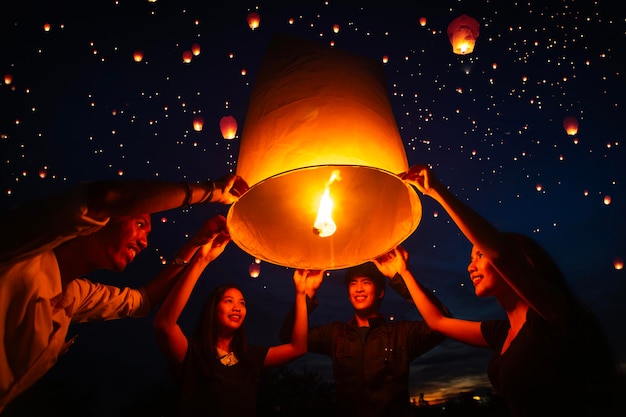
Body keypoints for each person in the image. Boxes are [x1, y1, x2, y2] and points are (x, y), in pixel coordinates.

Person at [380, 164, 624, 416]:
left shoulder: (552, 315)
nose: (470, 267)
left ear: (517, 263)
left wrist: (437, 192)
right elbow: (437, 321)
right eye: (470, 258)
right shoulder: (501, 333)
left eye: (479, 255)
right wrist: (403, 273)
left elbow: (502, 254)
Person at [0, 174, 247, 412]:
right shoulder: (19, 250)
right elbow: (105, 197)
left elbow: (143, 300)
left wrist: (196, 247)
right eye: (140, 224)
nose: (144, 242)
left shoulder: (74, 296)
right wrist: (211, 191)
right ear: (105, 219)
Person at [153, 214, 310, 417]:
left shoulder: (249, 358)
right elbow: (164, 325)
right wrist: (202, 260)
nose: (237, 307)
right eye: (229, 301)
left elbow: (298, 348)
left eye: (242, 303)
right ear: (213, 309)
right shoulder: (194, 354)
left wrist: (300, 292)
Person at [279, 261, 449, 417]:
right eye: (353, 283)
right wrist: (306, 294)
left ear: (380, 292)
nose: (359, 288)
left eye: (366, 282)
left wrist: (399, 279)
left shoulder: (402, 334)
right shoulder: (334, 334)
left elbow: (444, 325)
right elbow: (289, 338)